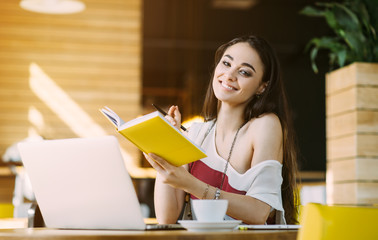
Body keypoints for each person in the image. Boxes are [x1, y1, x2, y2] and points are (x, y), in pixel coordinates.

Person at [144, 35, 299, 225]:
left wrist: (191, 184)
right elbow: (166, 217)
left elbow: (259, 211)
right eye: (226, 63)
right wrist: (167, 144)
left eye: (244, 72)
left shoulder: (265, 125)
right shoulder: (196, 133)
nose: (229, 75)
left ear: (261, 87)